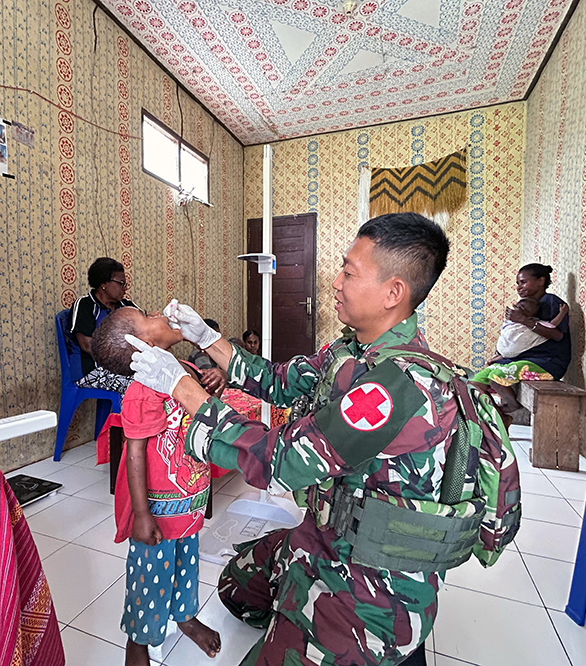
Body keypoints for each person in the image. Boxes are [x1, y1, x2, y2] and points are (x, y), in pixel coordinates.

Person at [126, 213, 460, 666]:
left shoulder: (397, 385)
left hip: (374, 579)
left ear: (393, 292)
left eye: (348, 272)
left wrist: (184, 390)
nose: (336, 282)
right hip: (325, 532)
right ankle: (297, 616)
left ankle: (346, 639)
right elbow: (279, 380)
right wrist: (210, 340)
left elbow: (282, 463)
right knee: (234, 584)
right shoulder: (351, 351)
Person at [90, 308, 222, 666]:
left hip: (190, 498)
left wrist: (215, 378)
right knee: (150, 576)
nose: (158, 312)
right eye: (148, 315)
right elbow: (133, 452)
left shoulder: (181, 371)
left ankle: (185, 617)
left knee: (187, 565)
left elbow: (204, 405)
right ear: (144, 344)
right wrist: (143, 514)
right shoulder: (142, 391)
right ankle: (139, 641)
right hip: (159, 510)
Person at [481, 264, 572, 413]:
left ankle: (509, 407)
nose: (519, 287)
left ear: (540, 281)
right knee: (479, 380)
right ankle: (498, 414)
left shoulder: (551, 302)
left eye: (523, 282)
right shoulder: (526, 306)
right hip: (527, 359)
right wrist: (500, 355)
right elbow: (519, 339)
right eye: (518, 283)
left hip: (547, 362)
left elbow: (557, 335)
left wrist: (523, 320)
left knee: (496, 376)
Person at [70, 257, 138, 394]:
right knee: (140, 386)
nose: (124, 289)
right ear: (104, 283)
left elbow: (146, 327)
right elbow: (87, 346)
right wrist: (122, 363)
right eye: (121, 283)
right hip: (91, 370)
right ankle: (126, 416)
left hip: (123, 367)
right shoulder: (85, 305)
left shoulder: (125, 306)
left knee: (162, 378)